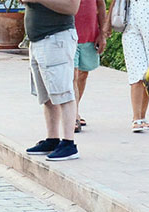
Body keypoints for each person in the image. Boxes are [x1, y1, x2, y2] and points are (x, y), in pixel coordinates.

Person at [22, 0, 81, 162]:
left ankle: (69, 143)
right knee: (47, 96)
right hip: (38, 40)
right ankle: (52, 138)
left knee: (63, 92)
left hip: (56, 38)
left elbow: (72, 7)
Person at [105, 0, 149, 132]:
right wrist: (108, 22)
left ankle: (142, 117)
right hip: (131, 20)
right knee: (136, 70)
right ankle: (136, 117)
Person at [73, 0, 107, 133]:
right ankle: (73, 115)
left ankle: (74, 109)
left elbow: (101, 5)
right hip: (68, 35)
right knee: (72, 75)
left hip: (89, 34)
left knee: (83, 74)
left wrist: (102, 34)